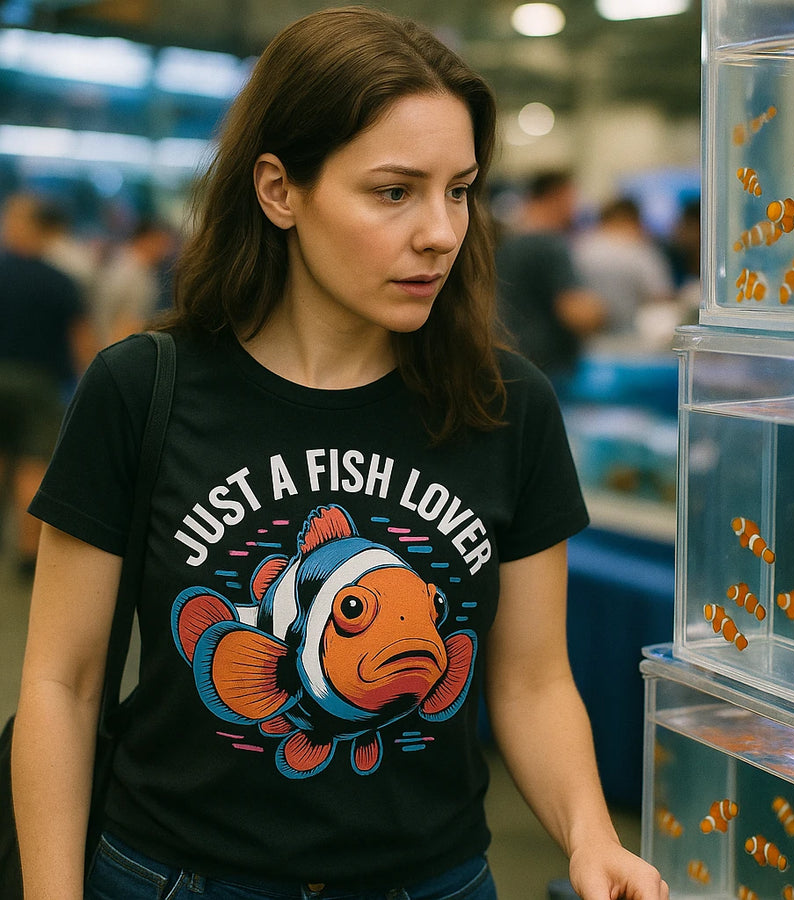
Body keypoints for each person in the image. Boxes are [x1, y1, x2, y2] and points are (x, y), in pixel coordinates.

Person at [11, 8, 669, 900]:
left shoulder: (508, 406)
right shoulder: (142, 387)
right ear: (280, 190)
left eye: (460, 189)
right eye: (394, 192)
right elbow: (63, 681)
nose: (441, 231)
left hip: (432, 882)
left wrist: (591, 837)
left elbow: (532, 679)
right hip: (177, 878)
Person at [0, 191, 93, 575]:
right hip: (40, 384)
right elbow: (82, 343)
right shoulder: (61, 282)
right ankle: (26, 556)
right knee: (33, 466)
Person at [495, 170, 606, 386]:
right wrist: (601, 313)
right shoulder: (550, 244)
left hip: (513, 357)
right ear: (559, 197)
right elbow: (575, 312)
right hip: (549, 368)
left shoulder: (508, 240)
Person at [573, 196, 674, 343]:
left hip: (585, 341)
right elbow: (661, 298)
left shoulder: (580, 248)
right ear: (633, 219)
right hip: (630, 341)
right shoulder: (640, 252)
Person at [90, 216, 176, 348]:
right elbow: (126, 321)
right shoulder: (131, 271)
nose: (166, 249)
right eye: (162, 242)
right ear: (147, 239)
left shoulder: (132, 266)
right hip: (118, 345)